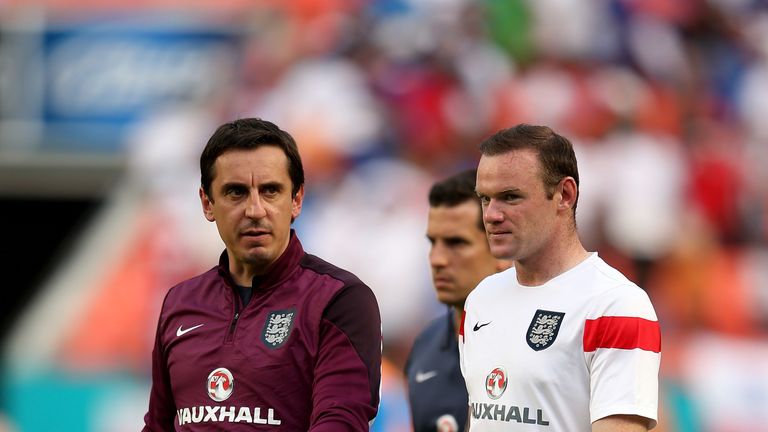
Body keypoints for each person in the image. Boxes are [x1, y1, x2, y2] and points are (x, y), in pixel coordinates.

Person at [142, 118, 382, 431]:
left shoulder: (340, 299)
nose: (255, 210)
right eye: (235, 193)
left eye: (270, 191)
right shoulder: (179, 302)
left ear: (296, 200)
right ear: (207, 203)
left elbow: (340, 422)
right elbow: (158, 425)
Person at [459, 124, 661, 431]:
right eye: (485, 199)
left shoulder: (616, 305)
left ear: (565, 195)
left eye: (510, 197)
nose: (491, 215)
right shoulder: (480, 300)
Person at [405, 169, 511, 432]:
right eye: (433, 242)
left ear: (501, 250)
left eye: (456, 243)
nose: (437, 259)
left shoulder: (537, 346)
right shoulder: (424, 345)